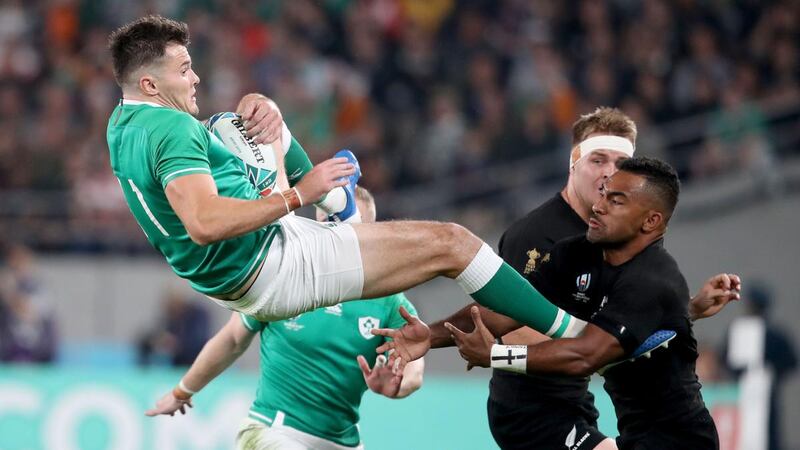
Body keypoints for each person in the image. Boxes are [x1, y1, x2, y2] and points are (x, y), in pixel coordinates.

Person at [106, 14, 585, 357]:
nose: (195, 77)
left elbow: (186, 189)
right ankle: (577, 334)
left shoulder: (122, 124)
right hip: (269, 265)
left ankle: (339, 200)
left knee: (248, 117)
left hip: (228, 276)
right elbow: (204, 223)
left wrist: (252, 112)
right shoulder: (175, 128)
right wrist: (299, 195)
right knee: (453, 244)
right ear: (150, 84)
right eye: (184, 70)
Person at [386, 108, 740, 450]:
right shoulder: (558, 244)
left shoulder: (648, 273)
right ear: (574, 160)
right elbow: (510, 312)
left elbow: (597, 345)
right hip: (535, 412)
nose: (603, 192)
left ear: (650, 221)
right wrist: (431, 335)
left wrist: (682, 311)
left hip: (644, 429)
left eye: (618, 184)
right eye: (598, 161)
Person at [145, 187, 425, 450]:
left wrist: (399, 385)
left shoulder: (389, 301)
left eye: (349, 222)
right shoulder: (286, 276)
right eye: (329, 221)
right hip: (273, 431)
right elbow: (232, 339)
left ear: (372, 233)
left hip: (343, 441)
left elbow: (413, 366)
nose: (338, 230)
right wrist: (183, 391)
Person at [721, 281, 797, 450]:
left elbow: (790, 361)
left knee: (765, 427)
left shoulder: (773, 334)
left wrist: (770, 372)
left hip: (764, 388)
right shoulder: (738, 331)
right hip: (742, 388)